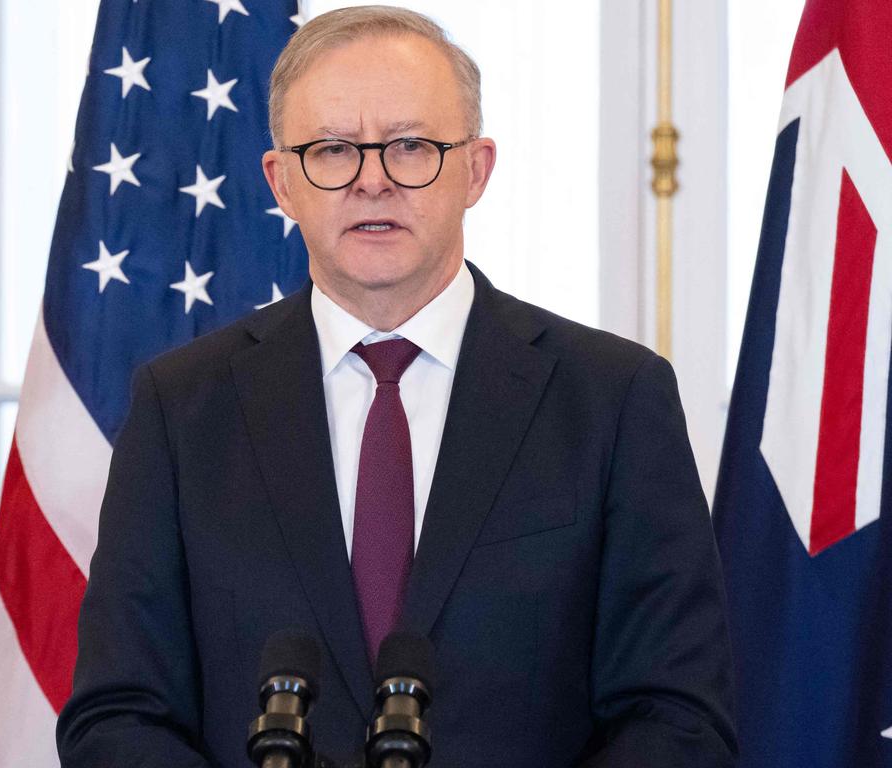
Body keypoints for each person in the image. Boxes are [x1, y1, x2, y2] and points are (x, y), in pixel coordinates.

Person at [57, 6, 737, 766]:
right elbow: (117, 716)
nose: (372, 180)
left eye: (411, 146)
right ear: (281, 182)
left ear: (476, 169)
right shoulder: (180, 409)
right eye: (332, 150)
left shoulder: (613, 400)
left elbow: (677, 716)